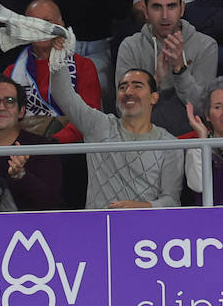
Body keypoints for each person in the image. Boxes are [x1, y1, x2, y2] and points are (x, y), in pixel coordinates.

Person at [50, 58, 185, 210]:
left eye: (137, 86)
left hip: (147, 228)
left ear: (154, 97)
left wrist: (141, 207)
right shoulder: (99, 126)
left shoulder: (169, 143)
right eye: (122, 87)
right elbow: (62, 94)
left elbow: (171, 200)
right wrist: (58, 55)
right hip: (99, 227)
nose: (128, 92)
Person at [115, 0, 217, 137]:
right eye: (156, 7)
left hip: (190, 137)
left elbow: (203, 109)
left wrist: (180, 70)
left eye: (171, 6)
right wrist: (155, 80)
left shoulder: (206, 45)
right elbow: (123, 110)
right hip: (143, 137)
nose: (164, 16)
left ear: (182, 8)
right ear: (146, 11)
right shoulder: (130, 46)